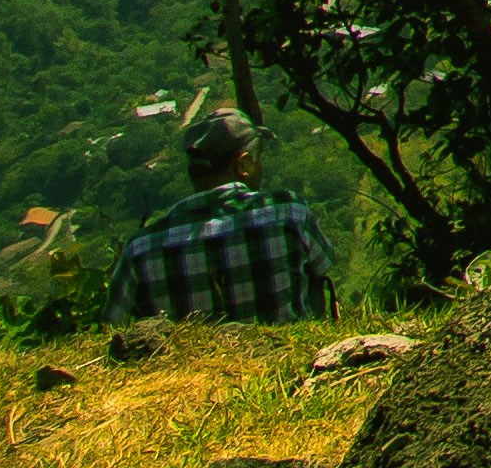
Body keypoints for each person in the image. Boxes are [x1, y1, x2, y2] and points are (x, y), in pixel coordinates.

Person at [109, 106, 336, 323]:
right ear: (244, 164)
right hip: (283, 354)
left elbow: (112, 322)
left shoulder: (140, 249)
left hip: (189, 361)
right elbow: (323, 265)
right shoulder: (288, 214)